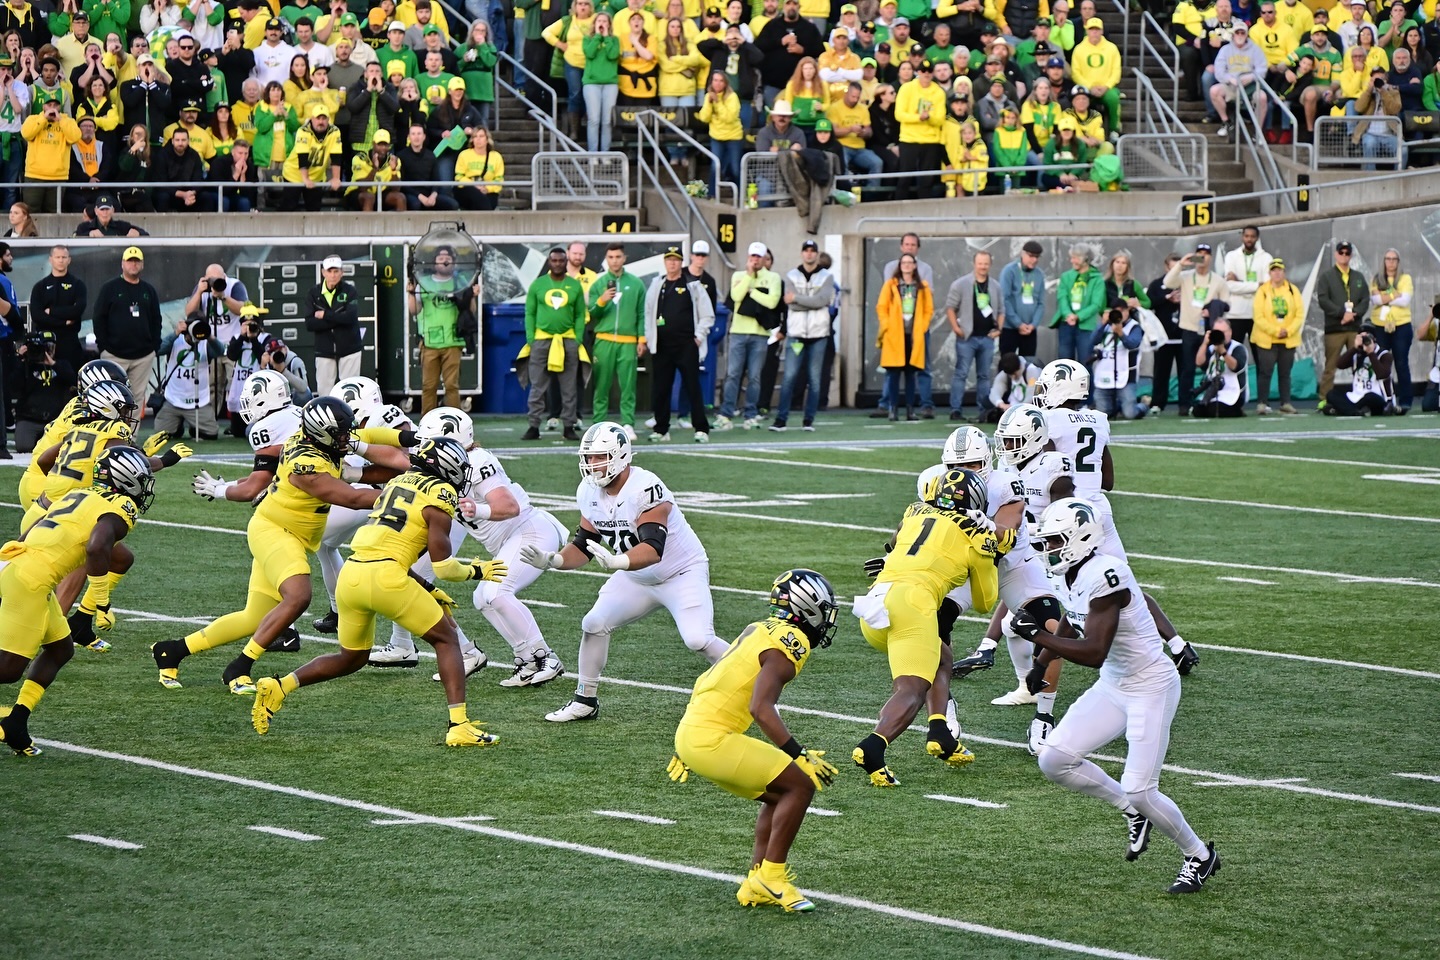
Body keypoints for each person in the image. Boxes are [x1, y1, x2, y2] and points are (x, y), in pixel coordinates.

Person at [1021, 498, 1222, 895]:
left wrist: (1036, 637)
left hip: (1151, 685)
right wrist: (1041, 662)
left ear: (1080, 538)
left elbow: (1094, 651)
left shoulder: (1106, 573)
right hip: (1115, 684)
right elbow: (1069, 617)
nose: (1049, 549)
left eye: (1057, 540)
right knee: (1055, 759)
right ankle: (1131, 811)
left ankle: (1199, 856)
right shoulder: (1069, 571)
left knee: (1141, 787)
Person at [250, 436, 508, 746]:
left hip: (354, 574)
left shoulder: (399, 482)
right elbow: (445, 568)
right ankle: (459, 725)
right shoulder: (442, 494)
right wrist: (477, 571)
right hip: (387, 579)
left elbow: (387, 547)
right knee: (446, 638)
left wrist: (425, 587)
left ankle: (281, 686)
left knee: (351, 658)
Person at [151, 396, 402, 692]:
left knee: (254, 617)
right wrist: (404, 495)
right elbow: (352, 498)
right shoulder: (305, 465)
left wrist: (412, 442)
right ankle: (239, 667)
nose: (347, 439)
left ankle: (173, 650)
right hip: (276, 531)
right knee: (298, 596)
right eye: (342, 435)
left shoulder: (319, 438)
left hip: (287, 532)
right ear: (322, 433)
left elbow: (386, 445)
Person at [519, 421, 728, 722]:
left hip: (680, 572)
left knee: (698, 639)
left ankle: (755, 679)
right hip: (636, 576)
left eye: (599, 457)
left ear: (620, 455)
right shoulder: (588, 491)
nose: (591, 464)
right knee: (594, 622)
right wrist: (553, 560)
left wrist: (619, 562)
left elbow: (653, 548)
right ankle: (585, 700)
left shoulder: (646, 488)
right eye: (588, 457)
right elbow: (584, 543)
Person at [669, 568, 840, 913]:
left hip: (694, 732)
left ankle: (756, 881)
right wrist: (799, 753)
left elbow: (711, 678)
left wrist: (686, 743)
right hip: (711, 739)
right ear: (807, 607)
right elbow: (761, 708)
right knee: (800, 785)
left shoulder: (761, 628)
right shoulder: (791, 642)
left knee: (778, 793)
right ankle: (772, 877)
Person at [0, 447, 153, 757]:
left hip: (19, 564)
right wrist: (101, 600)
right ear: (125, 480)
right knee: (7, 670)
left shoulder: (81, 494)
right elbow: (97, 548)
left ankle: (15, 723)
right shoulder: (121, 505)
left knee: (60, 649)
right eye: (142, 480)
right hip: (32, 580)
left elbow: (32, 526)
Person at [851, 468, 996, 786]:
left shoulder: (914, 510)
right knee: (912, 689)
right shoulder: (978, 534)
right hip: (911, 605)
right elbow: (986, 602)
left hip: (877, 597)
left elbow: (894, 544)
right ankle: (874, 747)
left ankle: (940, 733)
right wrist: (987, 556)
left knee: (942, 658)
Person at [406, 407, 570, 686]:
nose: (422, 448)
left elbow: (509, 505)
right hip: (510, 539)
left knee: (495, 591)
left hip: (528, 531)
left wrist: (476, 510)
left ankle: (545, 657)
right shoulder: (442, 466)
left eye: (427, 441)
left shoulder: (476, 460)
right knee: (483, 597)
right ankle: (528, 659)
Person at [645, 245, 714, 443]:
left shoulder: (693, 285)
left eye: (676, 259)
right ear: (665, 262)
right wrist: (649, 339)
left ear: (681, 262)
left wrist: (699, 336)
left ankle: (701, 428)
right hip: (662, 345)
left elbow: (707, 314)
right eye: (669, 259)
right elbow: (648, 312)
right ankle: (661, 429)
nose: (672, 263)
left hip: (686, 345)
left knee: (693, 386)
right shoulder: (657, 284)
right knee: (661, 388)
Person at [769, 238, 836, 433]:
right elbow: (790, 304)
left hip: (818, 335)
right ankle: (781, 419)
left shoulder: (826, 276)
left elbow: (823, 300)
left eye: (812, 251)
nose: (809, 254)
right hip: (797, 334)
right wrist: (809, 301)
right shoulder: (791, 275)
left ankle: (809, 420)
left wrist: (798, 298)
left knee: (814, 379)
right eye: (806, 250)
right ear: (801, 253)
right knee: (789, 377)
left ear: (817, 254)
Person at [520, 247, 586, 442]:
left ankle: (568, 426)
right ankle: (533, 426)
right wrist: (531, 339)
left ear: (566, 262)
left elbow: (580, 314)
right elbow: (529, 313)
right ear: (549, 263)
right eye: (554, 260)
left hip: (567, 340)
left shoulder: (574, 286)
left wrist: (578, 338)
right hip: (542, 340)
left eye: (561, 260)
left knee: (569, 387)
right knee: (538, 386)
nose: (557, 264)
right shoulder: (538, 285)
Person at [715, 242, 783, 430]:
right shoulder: (738, 275)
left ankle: (750, 413)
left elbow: (772, 302)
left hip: (760, 334)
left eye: (758, 257)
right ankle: (726, 413)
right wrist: (749, 277)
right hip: (738, 331)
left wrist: (752, 292)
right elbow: (736, 296)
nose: (755, 260)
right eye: (752, 257)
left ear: (764, 259)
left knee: (754, 376)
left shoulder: (773, 277)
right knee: (733, 374)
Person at [91, 246, 162, 419]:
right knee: (112, 397)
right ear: (122, 263)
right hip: (114, 355)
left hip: (143, 356)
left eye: (137, 261)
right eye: (130, 261)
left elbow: (156, 320)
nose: (133, 264)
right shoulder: (110, 288)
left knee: (136, 398)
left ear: (142, 265)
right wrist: (104, 347)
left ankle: (130, 440)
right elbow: (98, 318)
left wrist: (154, 346)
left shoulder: (148, 291)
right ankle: (110, 438)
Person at [587, 242, 647, 440]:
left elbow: (641, 314)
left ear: (624, 258)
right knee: (601, 385)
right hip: (603, 341)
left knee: (628, 385)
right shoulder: (598, 284)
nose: (614, 261)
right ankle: (598, 425)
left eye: (618, 257)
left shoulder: (636, 284)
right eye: (611, 257)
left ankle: (628, 424)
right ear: (607, 259)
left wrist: (642, 339)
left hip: (628, 342)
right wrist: (602, 300)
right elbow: (592, 313)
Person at [1163, 243, 1232, 412]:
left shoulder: (1218, 280)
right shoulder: (1186, 276)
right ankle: (1184, 405)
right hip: (1189, 328)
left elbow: (1227, 304)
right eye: (1199, 254)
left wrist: (1213, 311)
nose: (1202, 257)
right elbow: (1168, 282)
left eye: (1206, 254)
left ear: (1210, 257)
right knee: (1187, 368)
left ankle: (1209, 400)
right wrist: (1181, 264)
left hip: (1209, 329)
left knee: (1210, 366)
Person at [408, 244, 476, 413]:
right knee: (428, 386)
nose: (444, 261)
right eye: (440, 258)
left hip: (453, 341)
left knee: (452, 386)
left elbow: (471, 310)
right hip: (429, 342)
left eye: (448, 258)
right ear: (434, 262)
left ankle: (455, 421)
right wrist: (410, 294)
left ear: (453, 262)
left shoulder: (460, 282)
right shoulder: (423, 283)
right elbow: (414, 310)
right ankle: (427, 423)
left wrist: (472, 296)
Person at [944, 249, 1002, 423]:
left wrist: (999, 329)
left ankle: (983, 409)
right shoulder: (961, 284)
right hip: (966, 338)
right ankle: (955, 409)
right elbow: (950, 308)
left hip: (987, 338)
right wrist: (956, 328)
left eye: (986, 263)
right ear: (974, 264)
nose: (983, 266)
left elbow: (1001, 310)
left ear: (990, 265)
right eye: (980, 263)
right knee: (961, 373)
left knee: (984, 375)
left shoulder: (995, 286)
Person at [876, 252, 930, 421]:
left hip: (913, 336)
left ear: (915, 265)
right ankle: (892, 409)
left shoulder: (922, 287)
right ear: (899, 266)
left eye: (910, 262)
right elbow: (881, 307)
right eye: (903, 262)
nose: (906, 265)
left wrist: (922, 327)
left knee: (910, 374)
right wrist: (886, 325)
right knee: (893, 374)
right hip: (894, 335)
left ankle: (909, 410)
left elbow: (928, 309)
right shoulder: (891, 285)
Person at [1315, 239, 1368, 409]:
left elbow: (1365, 299)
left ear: (1350, 255)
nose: (1344, 256)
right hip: (1335, 329)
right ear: (1336, 254)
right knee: (1331, 365)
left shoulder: (1358, 277)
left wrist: (1354, 314)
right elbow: (1323, 299)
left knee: (1358, 364)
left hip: (1354, 328)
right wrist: (1341, 314)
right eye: (1341, 252)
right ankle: (1324, 398)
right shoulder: (1326, 277)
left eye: (1347, 253)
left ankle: (1361, 396)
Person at [1249, 257, 1303, 415]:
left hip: (1288, 338)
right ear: (1269, 273)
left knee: (1285, 373)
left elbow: (1299, 314)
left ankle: (1285, 402)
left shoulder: (1292, 290)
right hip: (1266, 339)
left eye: (1279, 270)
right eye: (1274, 270)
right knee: (1265, 372)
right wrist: (1275, 331)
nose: (1277, 273)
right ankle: (1262, 403)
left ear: (1284, 272)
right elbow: (1258, 316)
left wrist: (1288, 330)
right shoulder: (1263, 291)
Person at [154, 316, 222, 440]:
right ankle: (177, 426)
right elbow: (158, 350)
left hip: (198, 401)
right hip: (173, 400)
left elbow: (220, 351)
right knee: (161, 435)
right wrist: (176, 332)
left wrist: (209, 335)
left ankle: (194, 426)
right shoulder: (176, 341)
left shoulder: (205, 344)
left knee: (211, 434)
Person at [304, 254, 361, 394]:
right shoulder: (313, 293)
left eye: (336, 271)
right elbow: (310, 324)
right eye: (329, 271)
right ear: (323, 272)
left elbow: (350, 318)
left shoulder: (350, 291)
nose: (333, 275)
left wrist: (325, 316)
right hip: (324, 350)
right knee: (325, 392)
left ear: (342, 272)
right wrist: (337, 319)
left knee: (350, 392)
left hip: (350, 349)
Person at [12, 331, 75, 452]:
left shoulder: (63, 365)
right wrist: (21, 360)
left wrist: (53, 364)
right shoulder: (24, 367)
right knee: (23, 446)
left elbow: (73, 380)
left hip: (56, 420)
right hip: (29, 418)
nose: (45, 352)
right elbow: (14, 387)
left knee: (63, 448)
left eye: (49, 347)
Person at [28, 244, 86, 371]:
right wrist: (64, 322)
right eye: (57, 257)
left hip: (70, 344)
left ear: (69, 260)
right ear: (51, 259)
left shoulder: (78, 284)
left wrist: (52, 311)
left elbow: (78, 310)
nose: (61, 260)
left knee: (71, 382)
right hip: (46, 344)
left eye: (64, 257)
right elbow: (37, 315)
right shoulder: (40, 287)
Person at [1369, 247, 1413, 412]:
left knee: (1401, 363)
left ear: (1398, 261)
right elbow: (1375, 299)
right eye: (1388, 258)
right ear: (1384, 261)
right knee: (1381, 363)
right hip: (1380, 326)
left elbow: (1405, 301)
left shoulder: (1405, 278)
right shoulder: (1376, 279)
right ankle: (1384, 398)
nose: (1391, 262)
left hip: (1401, 325)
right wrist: (1395, 295)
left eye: (1394, 259)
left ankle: (1406, 400)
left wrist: (1385, 298)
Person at [20, 96, 81, 212]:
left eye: (55, 105)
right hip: (34, 176)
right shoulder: (33, 119)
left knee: (53, 213)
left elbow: (75, 137)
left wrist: (61, 120)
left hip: (58, 177)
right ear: (43, 106)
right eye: (49, 105)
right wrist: (43, 118)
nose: (52, 108)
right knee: (30, 213)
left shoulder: (68, 121)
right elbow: (26, 134)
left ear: (60, 107)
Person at [1088, 303, 1148, 420]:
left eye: (1122, 311)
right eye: (1116, 311)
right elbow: (1093, 341)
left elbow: (1132, 344)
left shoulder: (1134, 327)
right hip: (1103, 374)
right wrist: (1102, 323)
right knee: (1103, 413)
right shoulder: (1106, 325)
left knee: (1130, 414)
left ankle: (1143, 405)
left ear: (1127, 311)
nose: (1119, 314)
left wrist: (1121, 333)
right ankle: (1118, 406)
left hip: (1125, 376)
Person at [1050, 244, 1106, 364]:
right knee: (1065, 362)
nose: (1072, 261)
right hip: (1066, 324)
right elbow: (1062, 297)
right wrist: (1068, 314)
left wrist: (1078, 316)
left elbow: (1096, 304)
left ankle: (1085, 384)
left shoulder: (1097, 279)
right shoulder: (1066, 276)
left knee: (1085, 362)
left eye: (1075, 258)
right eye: (1072, 257)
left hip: (1085, 327)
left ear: (1085, 259)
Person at [1143, 254, 1184, 415]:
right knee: (1161, 371)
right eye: (1172, 267)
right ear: (1166, 267)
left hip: (1183, 335)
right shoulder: (1157, 284)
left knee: (1185, 371)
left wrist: (1183, 299)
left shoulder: (1186, 281)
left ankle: (1185, 402)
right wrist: (1168, 297)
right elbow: (1149, 303)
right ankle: (1158, 403)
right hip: (1163, 337)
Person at [1324, 329, 1398, 416]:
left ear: (1374, 339)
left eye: (1367, 338)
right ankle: (1355, 412)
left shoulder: (1384, 355)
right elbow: (1339, 364)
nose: (1364, 342)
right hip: (1357, 396)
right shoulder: (1357, 353)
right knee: (1331, 394)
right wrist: (1354, 348)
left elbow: (1382, 374)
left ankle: (1342, 410)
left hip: (1378, 396)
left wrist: (1371, 353)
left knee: (1369, 397)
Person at [1190, 318, 1249, 417]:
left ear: (1230, 332)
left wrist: (1223, 352)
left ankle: (1238, 411)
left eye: (1223, 332)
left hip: (1234, 393)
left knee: (1216, 410)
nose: (1220, 335)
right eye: (1217, 332)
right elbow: (1199, 362)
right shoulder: (1211, 348)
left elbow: (1235, 367)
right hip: (1213, 392)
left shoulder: (1238, 348)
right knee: (1198, 410)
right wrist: (1205, 343)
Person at [998, 240, 1045, 362]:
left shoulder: (1039, 274)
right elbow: (1004, 300)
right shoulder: (1009, 271)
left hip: (1030, 329)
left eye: (1037, 257)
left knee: (1029, 364)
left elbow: (1041, 303)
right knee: (1007, 364)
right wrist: (1018, 323)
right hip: (1010, 328)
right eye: (1031, 256)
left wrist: (1033, 325)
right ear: (1022, 254)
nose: (1034, 260)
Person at [1220, 225, 1268, 344]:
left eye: (1252, 236)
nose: (1249, 239)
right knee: (1234, 355)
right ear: (1242, 237)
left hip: (1257, 315)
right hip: (1235, 314)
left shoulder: (1266, 258)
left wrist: (1239, 282)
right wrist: (1257, 285)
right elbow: (1230, 286)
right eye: (1246, 236)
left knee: (1260, 357)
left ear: (1257, 238)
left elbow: (1267, 287)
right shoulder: (1231, 256)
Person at [452, 125, 502, 210]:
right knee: (477, 196)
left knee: (487, 201)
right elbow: (459, 177)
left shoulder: (496, 157)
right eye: (475, 136)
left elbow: (499, 180)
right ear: (472, 140)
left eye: (481, 136)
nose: (478, 139)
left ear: (487, 139)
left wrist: (487, 189)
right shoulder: (464, 155)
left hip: (488, 190)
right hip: (466, 189)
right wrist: (475, 185)